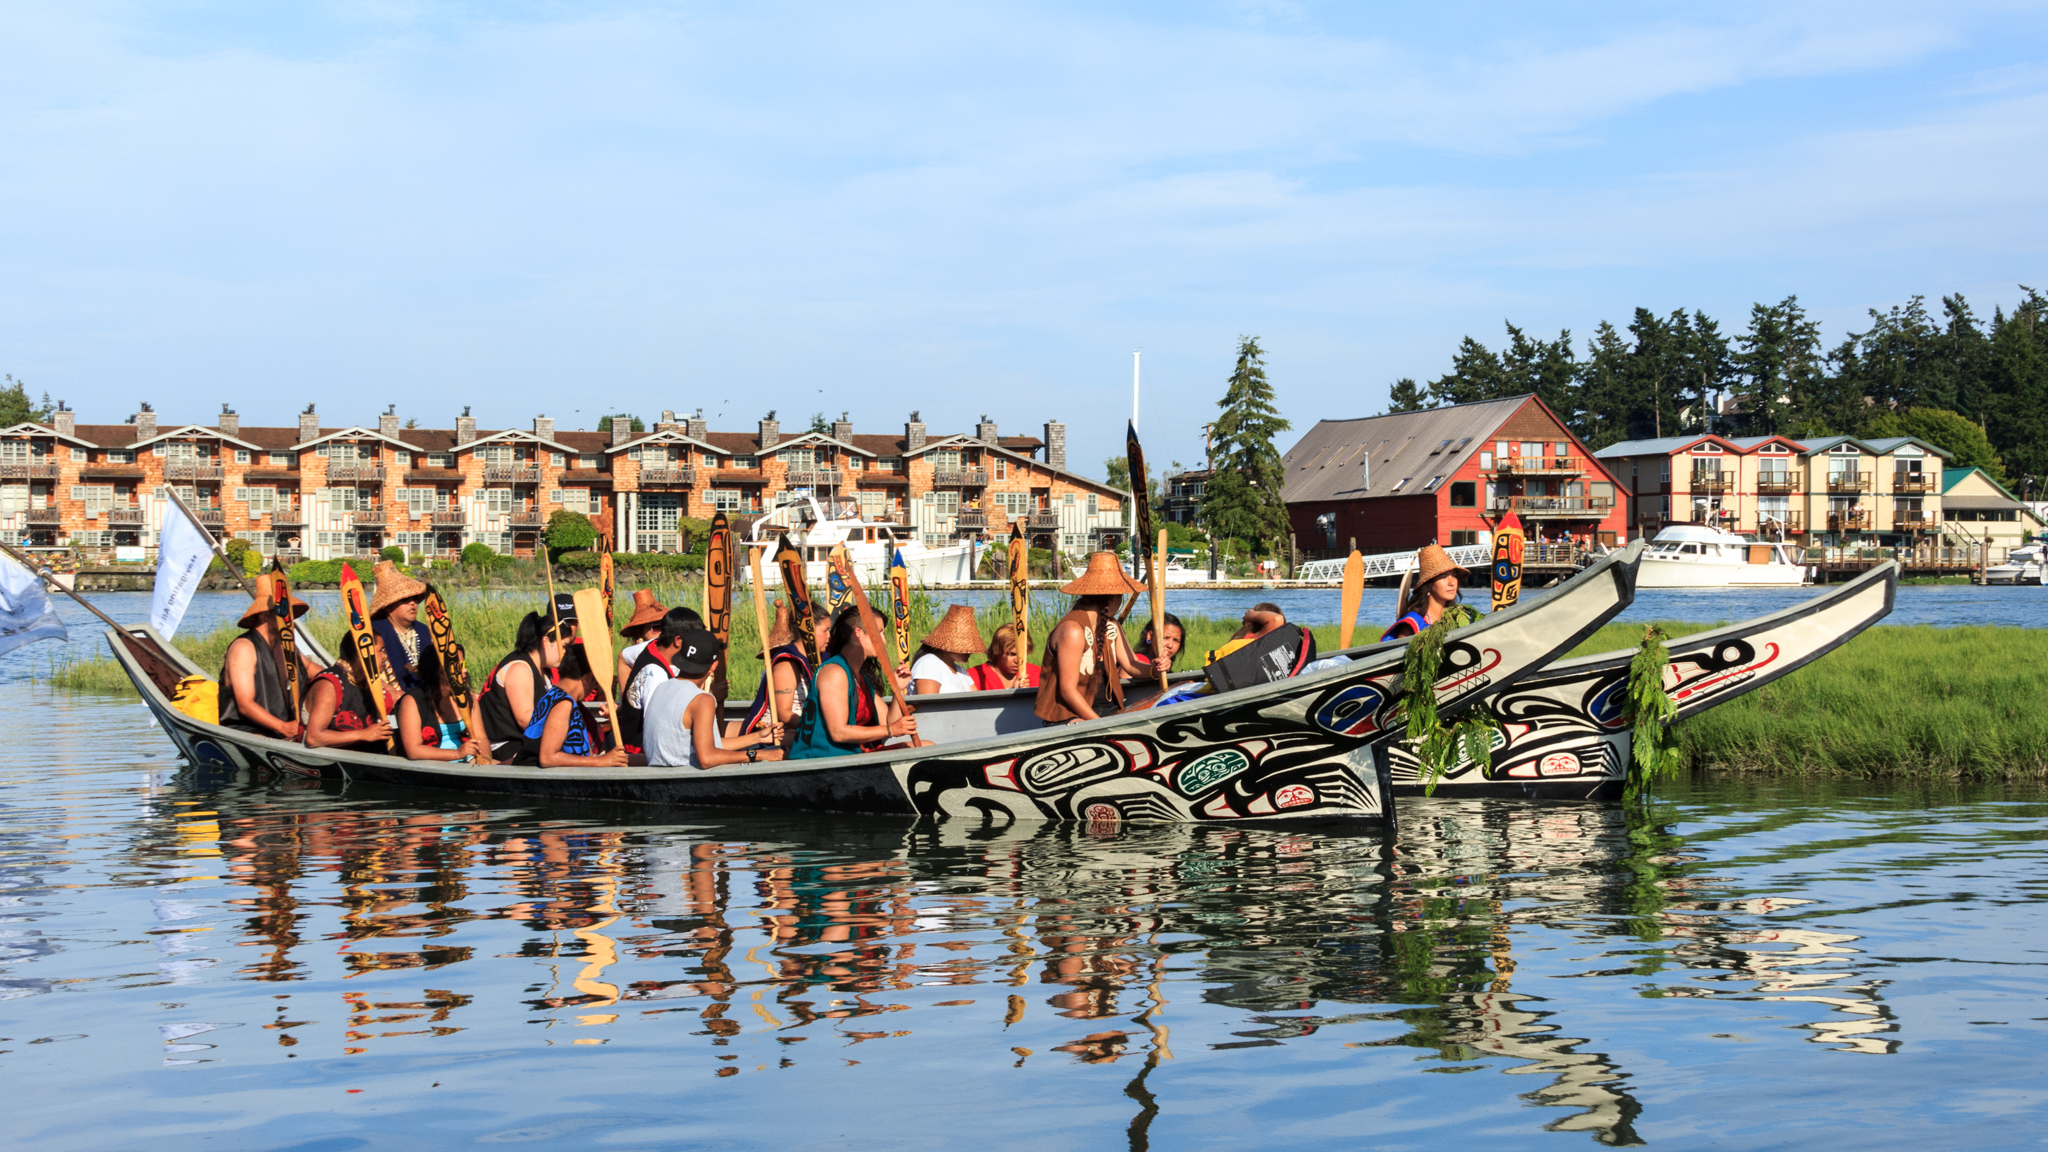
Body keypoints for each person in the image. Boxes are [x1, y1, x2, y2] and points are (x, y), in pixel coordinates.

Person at [643, 628, 786, 768]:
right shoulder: (702, 699)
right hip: (687, 781)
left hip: (663, 775)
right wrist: (758, 755)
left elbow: (709, 745)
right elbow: (707, 759)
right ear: (714, 665)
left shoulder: (660, 688)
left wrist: (759, 737)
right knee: (779, 752)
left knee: (763, 747)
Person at [1033, 552, 1146, 725]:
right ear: (1112, 597)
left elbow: (1131, 664)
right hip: (1071, 716)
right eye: (1120, 594)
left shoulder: (1111, 625)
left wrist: (1156, 669)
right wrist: (1101, 724)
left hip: (1108, 711)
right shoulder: (1073, 631)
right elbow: (1067, 690)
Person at [789, 609, 918, 758]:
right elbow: (839, 732)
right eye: (879, 632)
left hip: (853, 755)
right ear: (858, 633)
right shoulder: (834, 672)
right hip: (824, 759)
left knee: (922, 747)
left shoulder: (859, 676)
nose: (884, 640)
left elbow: (889, 722)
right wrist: (890, 730)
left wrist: (898, 689)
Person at [218, 573, 320, 739]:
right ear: (266, 616)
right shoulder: (244, 648)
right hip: (248, 731)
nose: (290, 620)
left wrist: (346, 679)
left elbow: (311, 669)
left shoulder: (286, 647)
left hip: (285, 727)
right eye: (285, 614)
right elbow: (245, 705)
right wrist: (283, 727)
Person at [521, 642, 629, 768]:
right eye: (596, 683)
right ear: (588, 677)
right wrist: (602, 761)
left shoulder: (552, 695)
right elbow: (547, 758)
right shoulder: (563, 704)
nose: (594, 687)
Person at [477, 607, 564, 761]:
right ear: (545, 642)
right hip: (504, 745)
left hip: (523, 741)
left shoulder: (543, 670)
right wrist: (561, 726)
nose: (565, 653)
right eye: (563, 646)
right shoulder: (520, 669)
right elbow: (525, 720)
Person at [617, 606, 700, 750]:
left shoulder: (651, 645)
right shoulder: (656, 675)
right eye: (694, 642)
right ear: (678, 641)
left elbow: (623, 656)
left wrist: (627, 701)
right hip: (643, 752)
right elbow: (659, 729)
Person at [742, 597, 818, 739]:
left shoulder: (811, 660)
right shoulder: (785, 664)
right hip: (780, 732)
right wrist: (816, 728)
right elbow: (783, 713)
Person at [393, 649, 487, 762]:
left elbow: (481, 737)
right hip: (431, 769)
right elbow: (413, 751)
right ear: (439, 671)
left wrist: (486, 760)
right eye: (459, 666)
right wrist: (457, 754)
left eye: (464, 664)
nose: (465, 670)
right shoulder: (412, 701)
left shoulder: (467, 695)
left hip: (468, 763)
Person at [367, 560, 435, 699]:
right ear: (387, 606)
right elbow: (367, 674)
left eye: (414, 599)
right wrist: (395, 694)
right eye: (404, 600)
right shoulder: (374, 632)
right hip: (388, 699)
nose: (412, 603)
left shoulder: (424, 631)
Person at [302, 653, 393, 753]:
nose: (385, 655)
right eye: (381, 650)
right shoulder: (329, 686)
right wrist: (363, 734)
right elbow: (314, 738)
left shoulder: (375, 689)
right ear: (361, 652)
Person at [1382, 544, 1471, 641]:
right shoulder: (1413, 622)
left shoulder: (1458, 617)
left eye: (1454, 575)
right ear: (1429, 585)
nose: (1452, 583)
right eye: (1443, 577)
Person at [910, 604, 984, 695]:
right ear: (949, 645)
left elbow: (976, 699)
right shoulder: (929, 664)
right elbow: (928, 705)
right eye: (965, 648)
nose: (970, 652)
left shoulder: (960, 671)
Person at [615, 589, 667, 693]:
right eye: (657, 627)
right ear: (640, 631)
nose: (663, 631)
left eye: (666, 626)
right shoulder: (628, 656)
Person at [968, 623, 1041, 690]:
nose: (1017, 660)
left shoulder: (1037, 673)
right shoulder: (974, 676)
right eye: (1012, 654)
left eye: (1022, 655)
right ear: (997, 651)